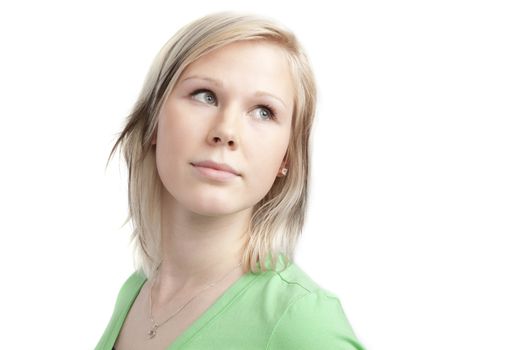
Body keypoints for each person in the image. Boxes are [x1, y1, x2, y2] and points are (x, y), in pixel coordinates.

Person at [95, 11, 366, 350]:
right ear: (153, 121)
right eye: (205, 95)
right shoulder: (137, 291)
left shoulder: (301, 321)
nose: (226, 131)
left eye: (263, 111)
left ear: (287, 157)